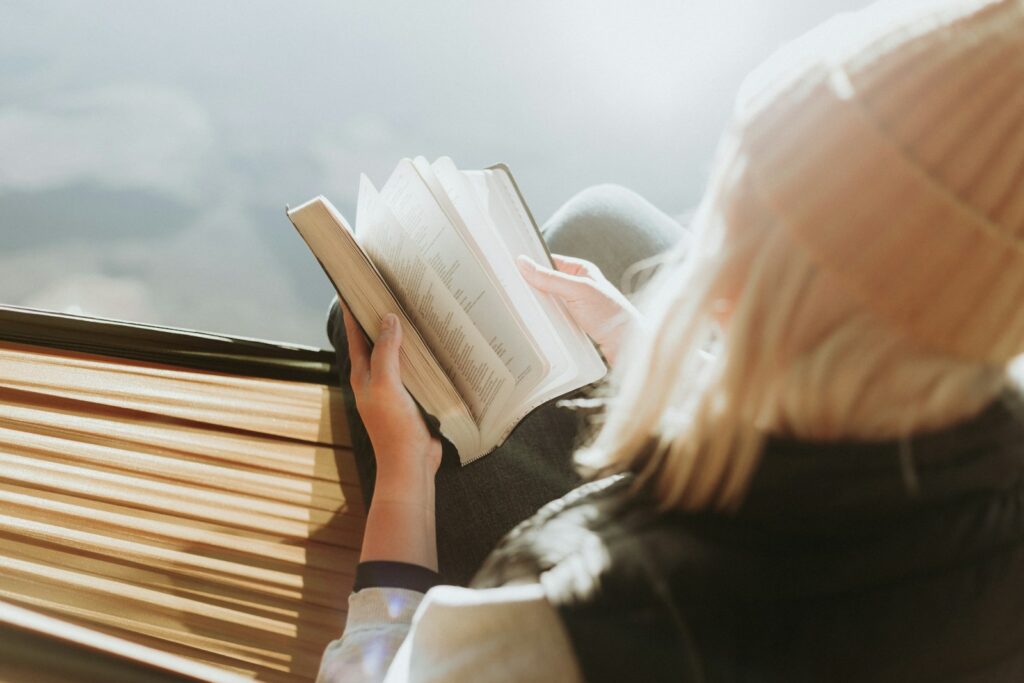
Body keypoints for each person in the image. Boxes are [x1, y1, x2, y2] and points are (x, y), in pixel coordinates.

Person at [319, 0, 1024, 680]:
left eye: (731, 206)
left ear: (745, 281)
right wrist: (640, 342)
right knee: (605, 220)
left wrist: (405, 472)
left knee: (369, 329)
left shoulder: (570, 619)